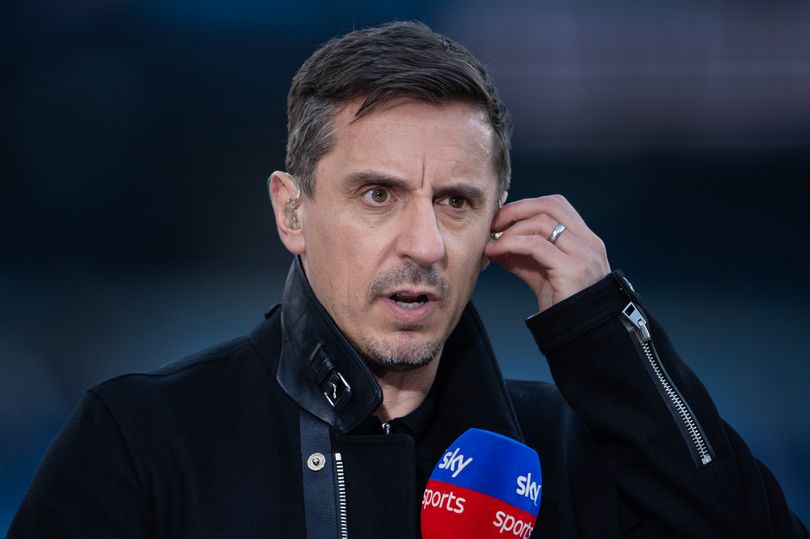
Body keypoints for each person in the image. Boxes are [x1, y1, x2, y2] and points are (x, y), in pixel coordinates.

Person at [8, 21, 807, 539]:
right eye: (377, 194)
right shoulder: (143, 440)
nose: (423, 243)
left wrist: (608, 331)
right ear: (292, 211)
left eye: (456, 201)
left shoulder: (572, 450)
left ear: (496, 222)